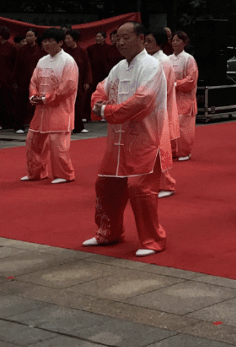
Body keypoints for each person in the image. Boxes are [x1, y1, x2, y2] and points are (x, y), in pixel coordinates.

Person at [83, 22, 171, 257]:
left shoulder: (152, 66)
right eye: (117, 38)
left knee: (140, 188)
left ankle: (153, 239)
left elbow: (143, 100)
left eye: (126, 37)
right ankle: (108, 231)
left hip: (147, 138)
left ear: (141, 38)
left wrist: (107, 112)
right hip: (118, 140)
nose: (120, 43)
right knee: (105, 184)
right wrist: (98, 104)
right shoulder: (119, 67)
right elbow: (102, 88)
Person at [22, 28, 79, 183]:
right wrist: (33, 96)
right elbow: (34, 81)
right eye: (45, 41)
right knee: (33, 139)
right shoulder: (42, 61)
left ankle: (64, 174)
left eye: (50, 41)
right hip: (41, 109)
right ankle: (36, 172)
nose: (46, 44)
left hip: (59, 108)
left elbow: (69, 86)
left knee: (57, 143)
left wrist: (46, 98)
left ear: (60, 43)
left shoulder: (68, 61)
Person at [145, 30, 179, 198]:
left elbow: (161, 90)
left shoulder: (163, 61)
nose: (146, 44)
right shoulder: (148, 59)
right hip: (147, 111)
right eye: (145, 40)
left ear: (158, 43)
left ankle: (166, 184)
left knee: (161, 149)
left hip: (158, 109)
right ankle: (150, 182)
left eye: (149, 41)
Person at [169, 31, 198, 161]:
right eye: (173, 40)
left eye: (178, 40)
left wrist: (176, 84)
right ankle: (173, 150)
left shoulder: (188, 58)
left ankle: (185, 151)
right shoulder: (168, 59)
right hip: (172, 97)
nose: (175, 43)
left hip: (185, 97)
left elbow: (191, 79)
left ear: (184, 43)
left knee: (183, 125)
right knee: (171, 124)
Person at [14, 30, 45, 133]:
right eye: (27, 36)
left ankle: (37, 124)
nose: (29, 38)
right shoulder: (21, 50)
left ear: (36, 37)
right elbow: (16, 66)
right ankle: (19, 126)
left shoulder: (40, 50)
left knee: (37, 103)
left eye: (31, 36)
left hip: (37, 81)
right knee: (21, 103)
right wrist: (15, 80)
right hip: (23, 80)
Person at [63, 30, 92, 135]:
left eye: (68, 38)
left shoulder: (82, 51)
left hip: (79, 82)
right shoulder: (64, 52)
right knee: (68, 105)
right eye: (65, 39)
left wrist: (87, 81)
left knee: (79, 104)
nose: (66, 41)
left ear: (74, 39)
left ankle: (79, 126)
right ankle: (68, 126)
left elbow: (87, 66)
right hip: (67, 82)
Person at [0, 27, 19, 131]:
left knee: (9, 102)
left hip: (8, 79)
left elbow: (15, 64)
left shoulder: (12, 48)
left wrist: (13, 79)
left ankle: (11, 123)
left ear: (2, 35)